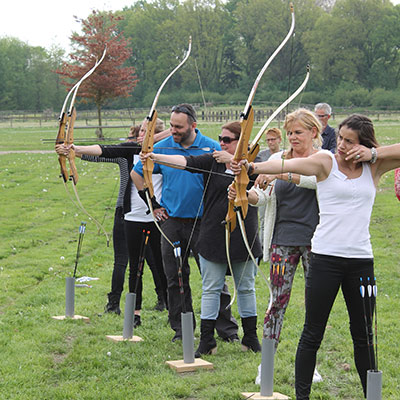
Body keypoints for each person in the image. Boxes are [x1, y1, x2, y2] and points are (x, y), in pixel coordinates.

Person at [234, 114, 399, 399]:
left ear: (363, 144)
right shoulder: (326, 162)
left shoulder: (374, 167)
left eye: (350, 141)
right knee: (312, 333)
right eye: (341, 139)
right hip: (325, 259)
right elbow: (288, 163)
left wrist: (372, 153)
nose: (342, 146)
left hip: (361, 261)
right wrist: (252, 166)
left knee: (365, 337)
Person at [139, 121, 262, 357]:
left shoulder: (253, 166)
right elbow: (186, 162)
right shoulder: (212, 160)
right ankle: (207, 341)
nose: (222, 143)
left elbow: (262, 187)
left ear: (242, 142)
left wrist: (240, 167)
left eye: (228, 140)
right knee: (211, 288)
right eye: (220, 138)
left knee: (246, 288)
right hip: (213, 234)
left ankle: (250, 338)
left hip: (244, 234)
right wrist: (154, 156)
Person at [132, 103, 239, 343]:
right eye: (171, 125)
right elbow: (137, 173)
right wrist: (153, 204)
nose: (173, 130)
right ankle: (182, 330)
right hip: (172, 221)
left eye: (178, 127)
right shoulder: (162, 147)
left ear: (193, 125)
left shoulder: (211, 146)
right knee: (175, 276)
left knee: (214, 277)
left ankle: (226, 330)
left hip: (205, 222)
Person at [56, 120, 169, 326]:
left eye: (146, 131)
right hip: (126, 214)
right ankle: (117, 304)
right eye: (140, 130)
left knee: (157, 263)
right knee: (125, 262)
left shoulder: (164, 153)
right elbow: (102, 151)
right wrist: (72, 151)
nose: (140, 134)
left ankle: (166, 302)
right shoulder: (129, 151)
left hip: (156, 217)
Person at [254, 127, 283, 242]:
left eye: (273, 139)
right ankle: (262, 244)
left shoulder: (284, 155)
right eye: (268, 140)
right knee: (263, 219)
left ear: (279, 140)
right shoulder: (261, 156)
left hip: (280, 190)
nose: (270, 142)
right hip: (265, 190)